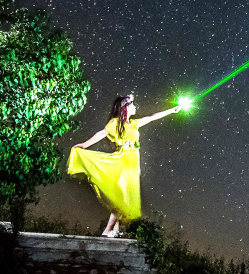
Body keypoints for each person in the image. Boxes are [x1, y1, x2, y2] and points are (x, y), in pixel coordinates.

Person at [68, 94, 180, 237]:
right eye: (132, 104)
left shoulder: (134, 124)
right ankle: (108, 230)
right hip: (123, 159)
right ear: (125, 108)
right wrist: (84, 145)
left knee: (126, 198)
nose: (135, 107)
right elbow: (102, 133)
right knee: (123, 198)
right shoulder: (115, 123)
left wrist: (171, 111)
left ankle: (116, 230)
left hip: (133, 162)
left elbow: (152, 117)